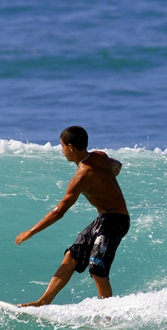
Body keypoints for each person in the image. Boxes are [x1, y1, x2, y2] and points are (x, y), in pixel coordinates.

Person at [15, 126, 130, 306]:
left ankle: (108, 314)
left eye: (61, 146)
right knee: (72, 255)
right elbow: (117, 165)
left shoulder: (82, 177)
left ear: (70, 147)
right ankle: (44, 301)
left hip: (115, 221)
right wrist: (109, 176)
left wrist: (30, 232)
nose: (61, 151)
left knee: (97, 266)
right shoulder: (100, 156)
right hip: (104, 219)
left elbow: (59, 212)